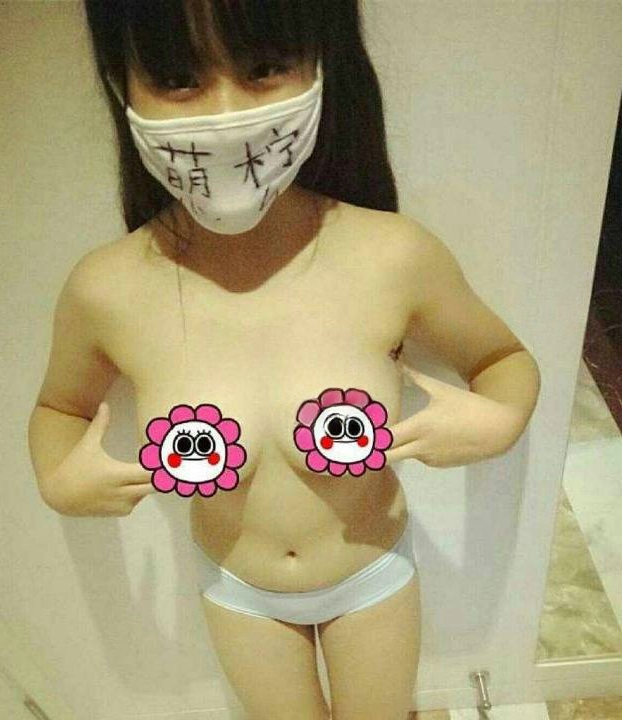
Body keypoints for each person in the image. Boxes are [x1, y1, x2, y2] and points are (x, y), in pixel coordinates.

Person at [28, 2, 541, 718]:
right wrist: (59, 479)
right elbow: (59, 407)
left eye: (264, 67)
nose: (226, 113)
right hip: (239, 590)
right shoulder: (104, 289)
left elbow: (502, 357)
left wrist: (501, 421)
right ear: (124, 86)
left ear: (320, 66)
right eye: (178, 78)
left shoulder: (393, 254)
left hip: (372, 575)